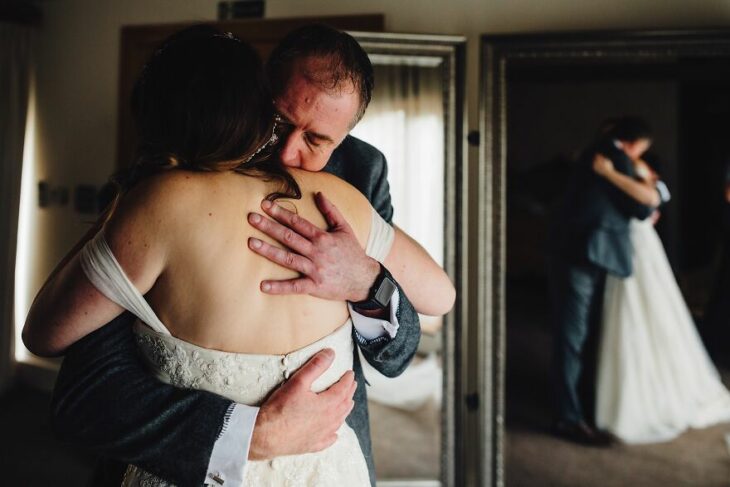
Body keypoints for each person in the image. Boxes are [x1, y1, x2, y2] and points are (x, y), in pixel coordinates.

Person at [25, 26, 454, 486]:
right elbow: (84, 391)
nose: (288, 152)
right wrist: (250, 434)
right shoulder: (158, 186)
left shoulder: (360, 177)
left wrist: (366, 281)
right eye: (280, 120)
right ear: (257, 93)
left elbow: (400, 348)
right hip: (185, 460)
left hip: (326, 453)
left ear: (345, 137)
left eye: (316, 141)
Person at [593, 152, 730, 443]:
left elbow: (653, 201)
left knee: (654, 312)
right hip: (629, 244)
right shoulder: (624, 168)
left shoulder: (644, 178)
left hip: (642, 245)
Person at [547, 116, 658, 445]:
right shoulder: (615, 157)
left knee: (578, 336)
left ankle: (580, 407)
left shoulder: (596, 152)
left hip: (581, 253)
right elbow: (642, 207)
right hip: (582, 255)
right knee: (573, 337)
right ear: (635, 144)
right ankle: (568, 418)